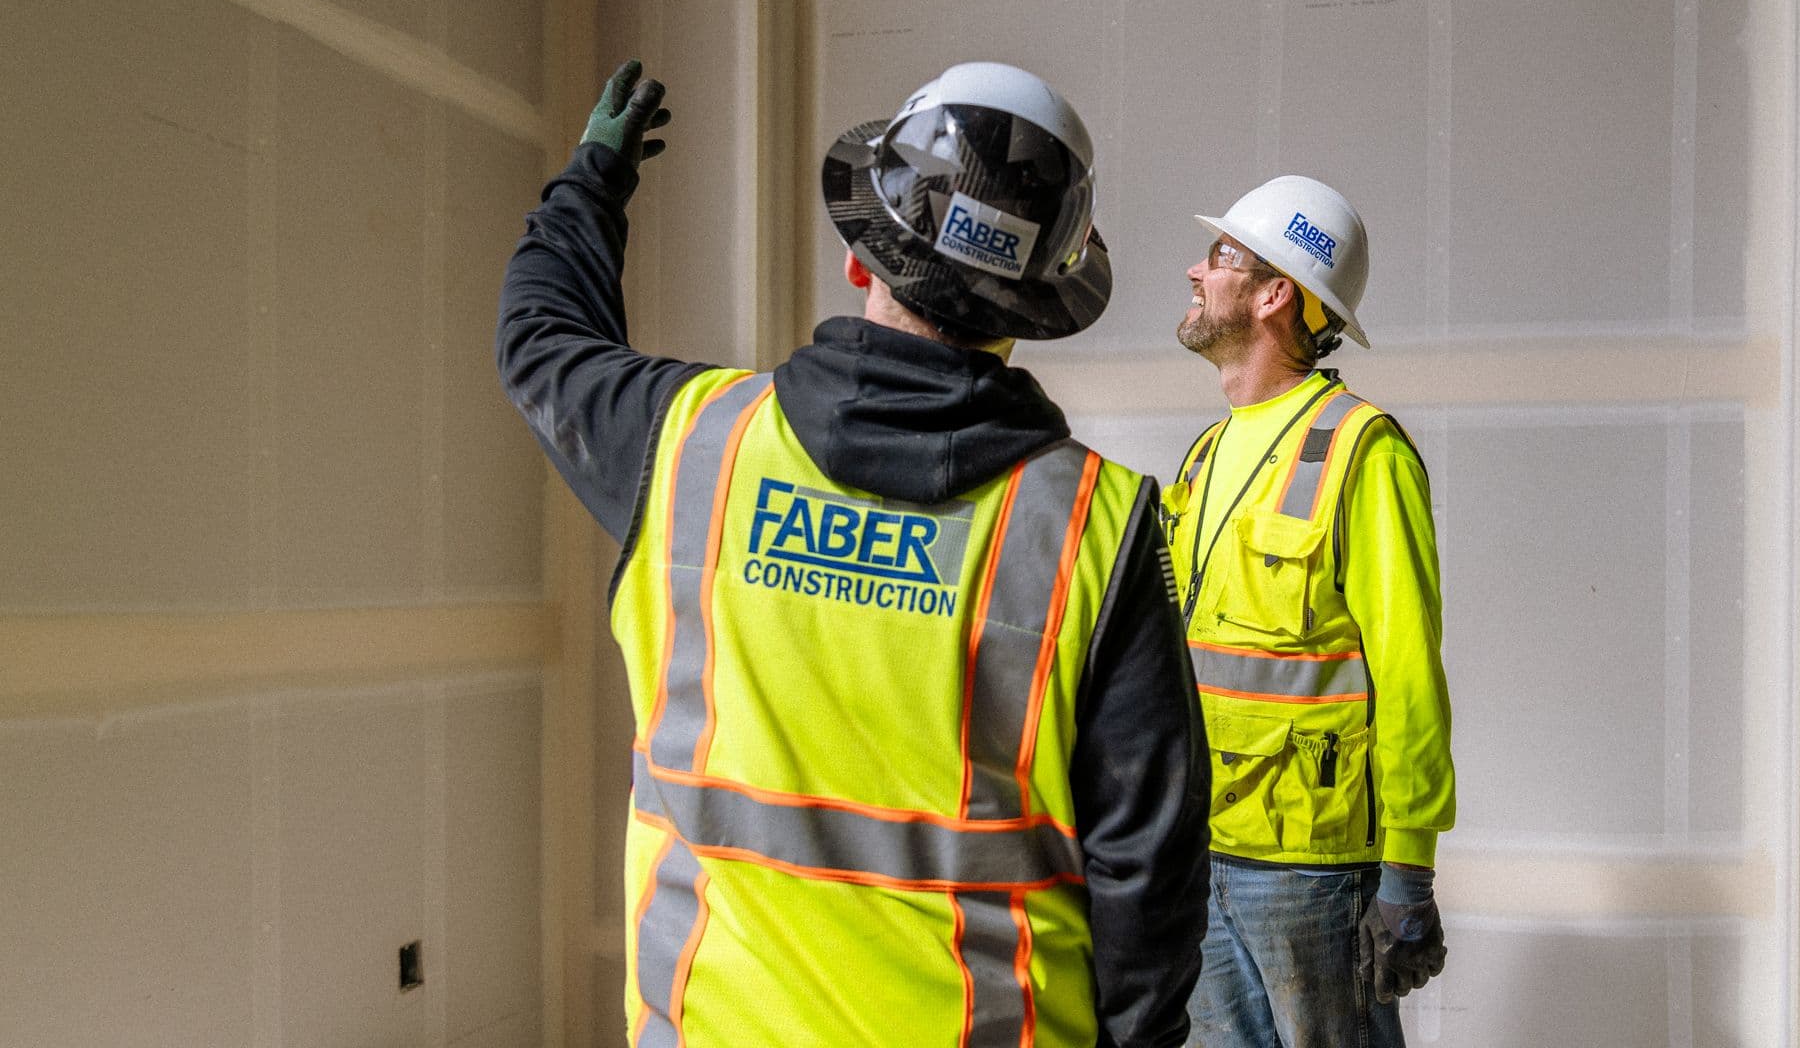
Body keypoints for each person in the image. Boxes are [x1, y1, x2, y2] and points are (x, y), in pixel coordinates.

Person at [497, 58, 1210, 1047]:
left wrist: (591, 182)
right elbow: (1149, 865)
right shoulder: (1096, 527)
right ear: (1031, 309)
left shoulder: (686, 444)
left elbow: (539, 338)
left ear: (862, 259)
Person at [1163, 176, 1455, 1048]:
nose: (1195, 271)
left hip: (1313, 867)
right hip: (1203, 847)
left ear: (1274, 292)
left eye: (1221, 257)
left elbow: (1407, 673)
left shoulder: (1362, 452)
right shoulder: (1208, 452)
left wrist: (1408, 870)